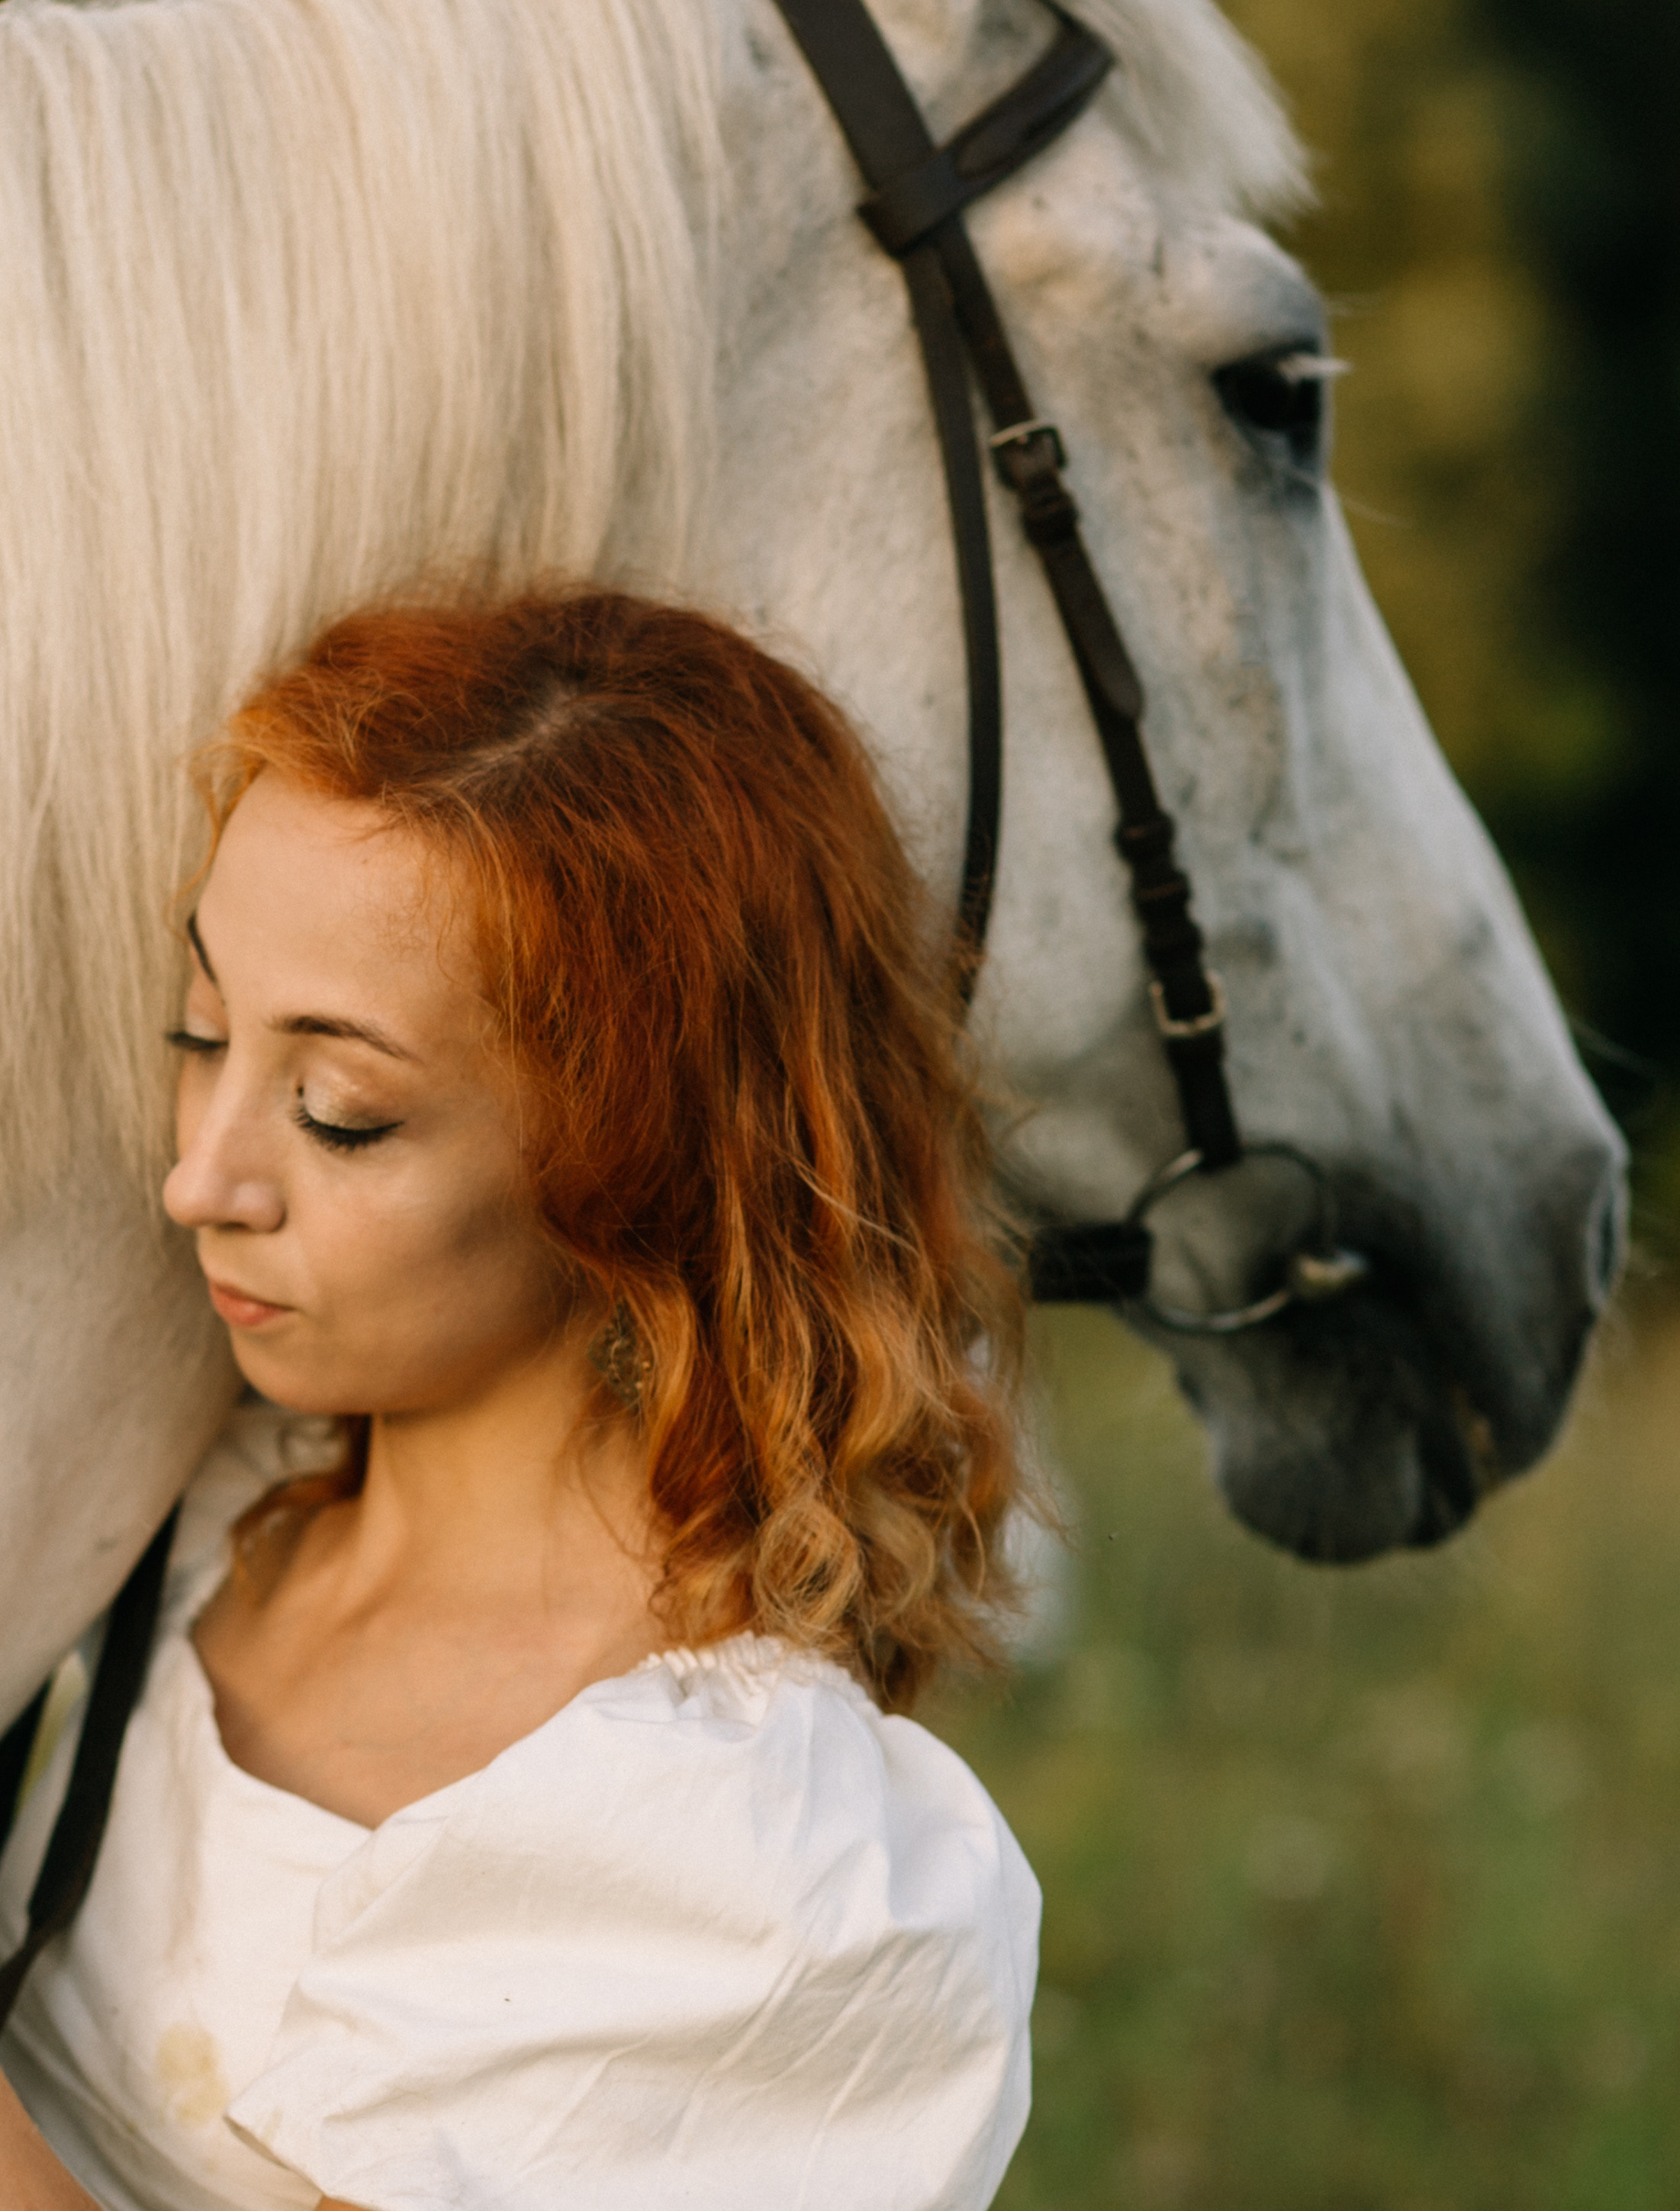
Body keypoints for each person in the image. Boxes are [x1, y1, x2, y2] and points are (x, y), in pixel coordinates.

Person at [0, 584, 1038, 2211]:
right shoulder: (206, 1480)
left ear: (639, 1167)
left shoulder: (735, 1870)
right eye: (203, 1031)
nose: (200, 1177)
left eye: (339, 1109)